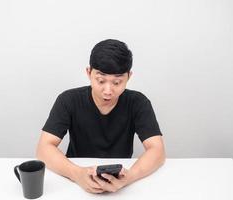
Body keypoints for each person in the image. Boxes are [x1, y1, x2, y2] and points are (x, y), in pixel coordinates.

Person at [36, 39, 165, 194]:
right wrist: (77, 174)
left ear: (129, 77)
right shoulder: (68, 100)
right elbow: (43, 148)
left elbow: (157, 151)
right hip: (75, 181)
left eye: (117, 82)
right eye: (101, 81)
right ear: (89, 73)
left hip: (121, 183)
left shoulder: (138, 102)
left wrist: (129, 177)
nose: (108, 90)